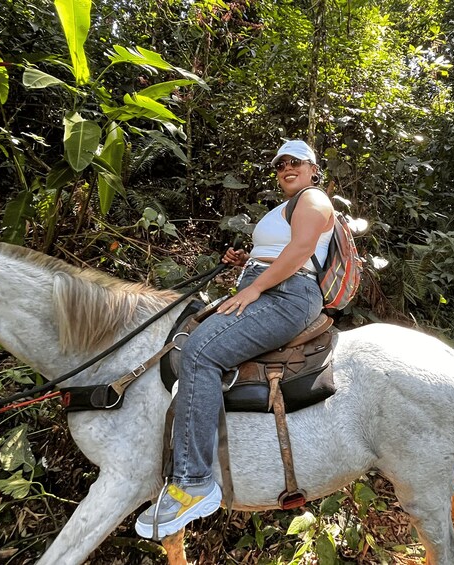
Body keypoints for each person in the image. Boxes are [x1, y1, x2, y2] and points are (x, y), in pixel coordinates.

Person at [135, 139, 334, 538]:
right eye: (280, 165)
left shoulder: (313, 199)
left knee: (198, 354)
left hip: (288, 294)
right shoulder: (287, 207)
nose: (286, 169)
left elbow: (300, 250)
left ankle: (194, 483)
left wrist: (254, 287)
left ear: (313, 168)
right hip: (274, 285)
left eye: (295, 162)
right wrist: (246, 264)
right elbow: (281, 250)